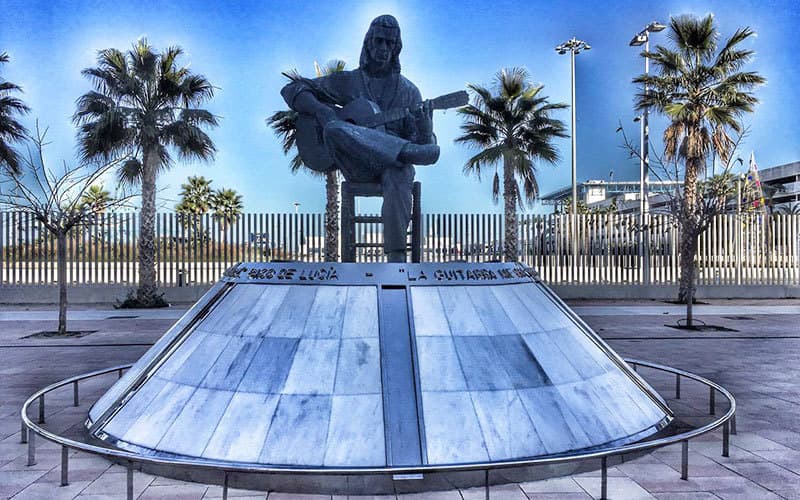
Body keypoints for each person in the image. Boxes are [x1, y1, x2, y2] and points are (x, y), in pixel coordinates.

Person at [281, 15, 439, 262]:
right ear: (368, 43)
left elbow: (423, 141)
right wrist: (321, 110)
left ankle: (396, 260)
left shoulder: (409, 92)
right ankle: (401, 150)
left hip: (393, 168)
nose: (383, 48)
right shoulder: (349, 82)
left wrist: (426, 128)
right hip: (358, 164)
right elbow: (293, 89)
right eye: (379, 41)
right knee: (334, 130)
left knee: (398, 173)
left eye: (390, 43)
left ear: (397, 47)